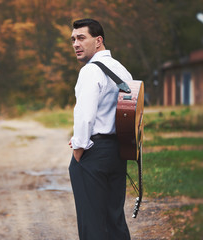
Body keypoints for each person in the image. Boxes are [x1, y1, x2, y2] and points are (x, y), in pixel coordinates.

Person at [68, 18, 133, 240]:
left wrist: (79, 149)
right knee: (114, 219)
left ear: (98, 41)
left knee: (92, 224)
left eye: (81, 38)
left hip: (93, 154)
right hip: (118, 152)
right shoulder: (122, 70)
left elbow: (85, 115)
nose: (76, 44)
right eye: (73, 39)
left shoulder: (90, 71)